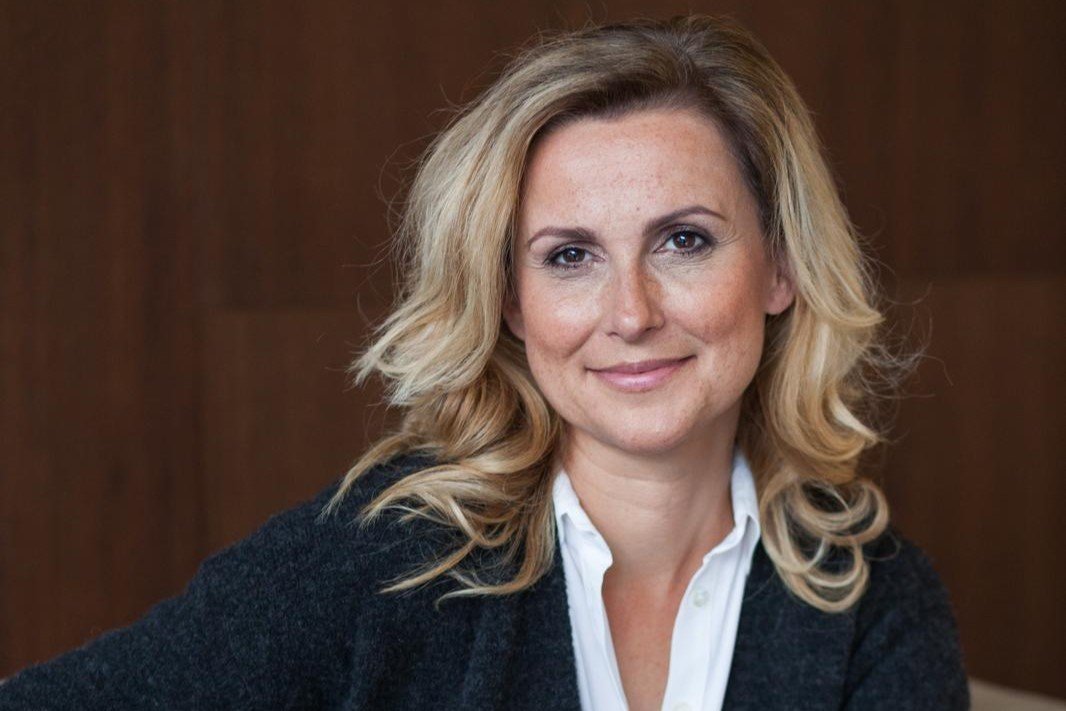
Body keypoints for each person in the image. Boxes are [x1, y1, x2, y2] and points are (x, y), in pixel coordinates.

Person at [0, 13, 968, 710]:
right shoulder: (378, 565)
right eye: (570, 256)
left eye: (684, 241)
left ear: (780, 267)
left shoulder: (871, 596)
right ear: (510, 300)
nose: (631, 313)